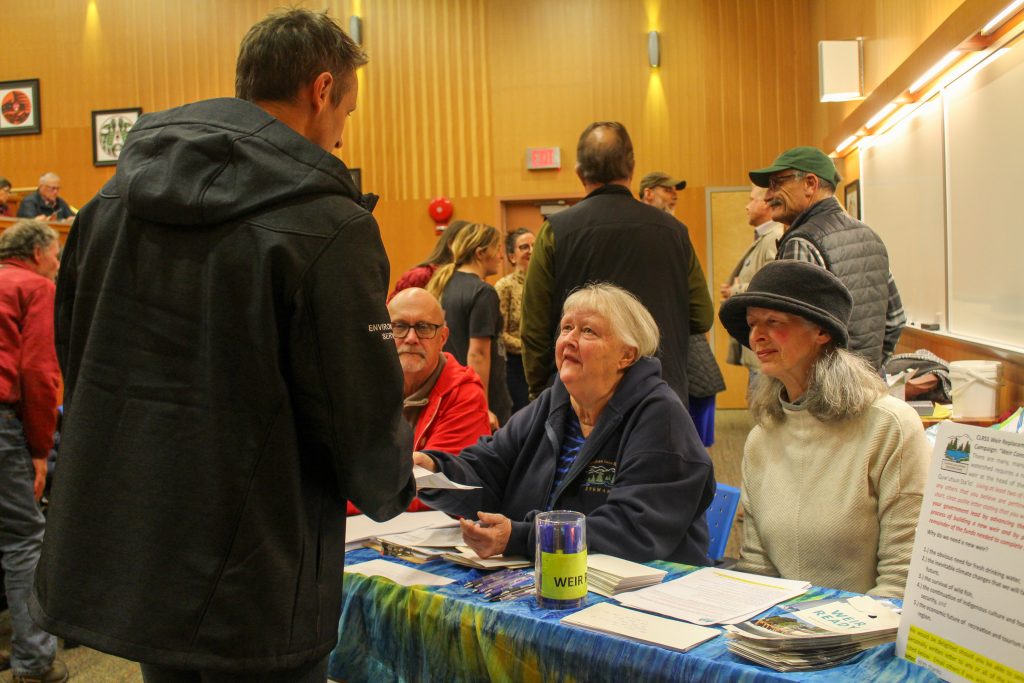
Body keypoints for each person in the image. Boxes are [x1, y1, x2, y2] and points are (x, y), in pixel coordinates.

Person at [30, 9, 415, 682]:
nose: (340, 136)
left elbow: (78, 351)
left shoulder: (108, 205)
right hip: (263, 565)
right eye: (346, 113)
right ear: (321, 91)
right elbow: (356, 400)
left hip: (148, 539)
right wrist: (390, 487)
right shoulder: (330, 224)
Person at [416, 284, 715, 564]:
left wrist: (523, 537)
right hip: (544, 580)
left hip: (644, 595)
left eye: (588, 331)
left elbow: (631, 529)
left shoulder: (660, 417)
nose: (569, 339)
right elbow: (487, 470)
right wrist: (429, 471)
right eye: (566, 328)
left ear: (627, 355)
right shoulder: (552, 404)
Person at [719, 260, 929, 597]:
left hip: (864, 635)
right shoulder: (763, 437)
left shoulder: (890, 426)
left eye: (773, 322)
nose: (756, 336)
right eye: (752, 324)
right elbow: (757, 567)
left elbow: (901, 581)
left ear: (821, 331)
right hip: (777, 632)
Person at [522, 122, 713, 405]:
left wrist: (542, 395)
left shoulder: (555, 232)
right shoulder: (674, 232)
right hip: (660, 395)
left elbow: (534, 328)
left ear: (578, 172)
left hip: (580, 400)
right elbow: (702, 316)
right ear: (632, 168)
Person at [749, 146, 905, 369]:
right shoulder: (870, 237)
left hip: (820, 392)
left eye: (777, 183)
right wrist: (869, 371)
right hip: (866, 388)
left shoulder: (803, 242)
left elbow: (795, 338)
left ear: (810, 183)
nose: (768, 196)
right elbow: (895, 320)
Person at [347, 287, 490, 515]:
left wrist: (338, 498)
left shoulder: (463, 395)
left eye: (424, 328)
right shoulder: (359, 385)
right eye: (400, 326)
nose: (411, 338)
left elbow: (432, 487)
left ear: (442, 338)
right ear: (384, 333)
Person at [0, 221, 66, 683]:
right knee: (25, 538)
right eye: (58, 256)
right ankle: (34, 661)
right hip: (4, 421)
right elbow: (39, 374)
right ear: (38, 254)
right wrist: (41, 451)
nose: (60, 266)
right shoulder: (36, 287)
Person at [638, 171, 724, 445]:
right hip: (649, 343)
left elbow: (700, 310)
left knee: (699, 400)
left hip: (682, 342)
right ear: (648, 193)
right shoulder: (645, 231)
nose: (674, 194)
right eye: (667, 189)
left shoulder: (676, 230)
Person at [427, 223, 512, 429]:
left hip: (450, 388)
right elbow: (478, 354)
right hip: (478, 394)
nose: (501, 256)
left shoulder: (444, 283)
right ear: (481, 253)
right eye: (497, 249)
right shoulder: (483, 292)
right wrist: (480, 405)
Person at [720, 186, 785, 398]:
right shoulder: (764, 238)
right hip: (760, 346)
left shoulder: (774, 238)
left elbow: (774, 284)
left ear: (766, 203)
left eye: (751, 200)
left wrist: (735, 291)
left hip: (767, 345)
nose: (747, 206)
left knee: (765, 413)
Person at [494, 227, 535, 413]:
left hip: (542, 363)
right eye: (524, 247)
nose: (531, 250)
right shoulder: (505, 287)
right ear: (512, 256)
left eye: (535, 245)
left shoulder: (548, 284)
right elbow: (499, 334)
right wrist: (528, 348)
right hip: (515, 366)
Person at [389, 219, 469, 299]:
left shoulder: (470, 279)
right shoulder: (421, 275)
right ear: (452, 244)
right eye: (469, 244)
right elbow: (393, 307)